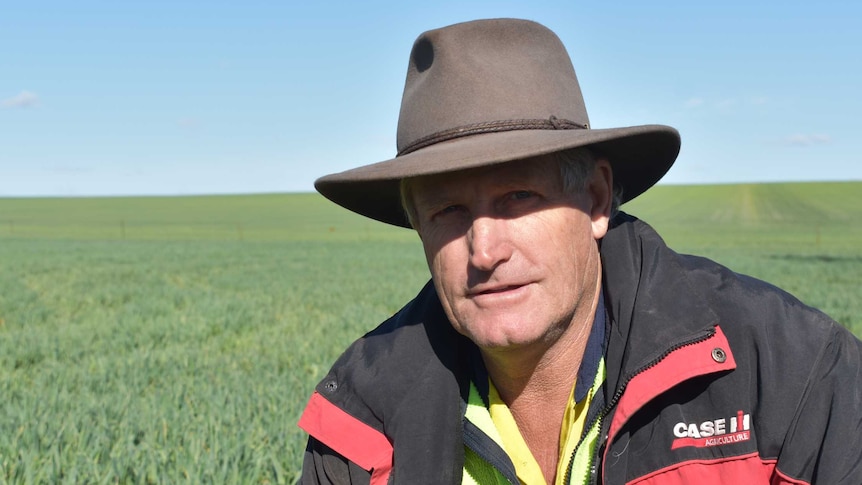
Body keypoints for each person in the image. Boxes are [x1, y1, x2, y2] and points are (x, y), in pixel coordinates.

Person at [297, 18, 862, 485]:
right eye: (447, 211)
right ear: (418, 226)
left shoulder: (793, 373)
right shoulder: (360, 419)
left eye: (519, 197)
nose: (484, 249)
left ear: (594, 201)